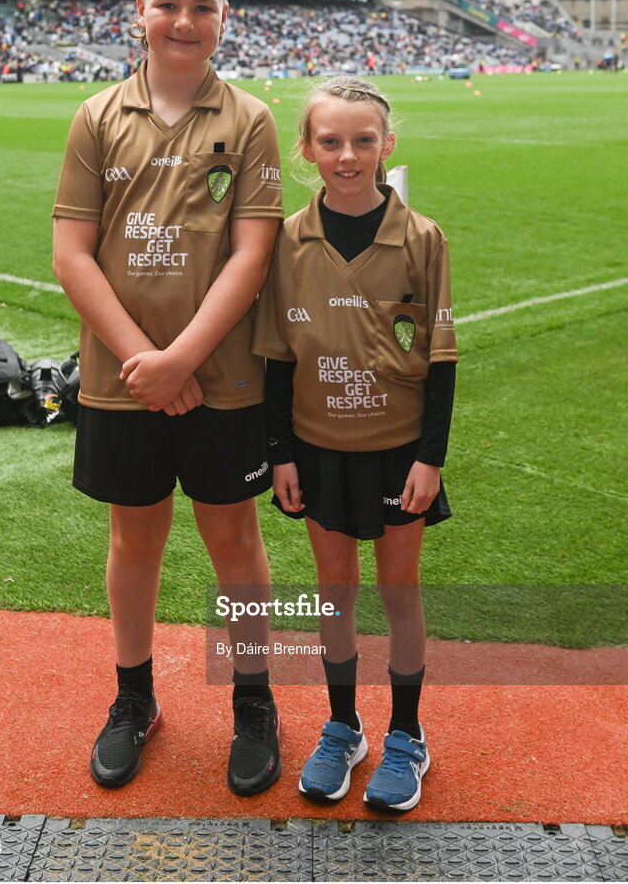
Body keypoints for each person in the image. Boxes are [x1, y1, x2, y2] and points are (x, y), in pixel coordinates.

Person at [52, 0, 284, 796]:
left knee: (232, 536)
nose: (183, 20)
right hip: (121, 379)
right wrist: (143, 360)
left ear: (225, 19)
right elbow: (72, 254)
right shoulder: (96, 116)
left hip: (222, 379)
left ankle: (254, 703)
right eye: (168, 4)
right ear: (139, 13)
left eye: (202, 6)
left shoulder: (249, 119)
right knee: (132, 536)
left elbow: (251, 256)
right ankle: (134, 700)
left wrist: (181, 357)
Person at [253, 76, 457, 812]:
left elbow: (440, 358)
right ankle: (343, 726)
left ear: (387, 144)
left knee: (398, 593)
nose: (347, 155)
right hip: (316, 449)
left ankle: (406, 734)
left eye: (362, 140)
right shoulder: (284, 240)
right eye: (330, 141)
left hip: (398, 451)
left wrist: (429, 458)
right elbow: (277, 357)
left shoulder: (422, 237)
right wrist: (280, 452)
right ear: (306, 148)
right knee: (334, 592)